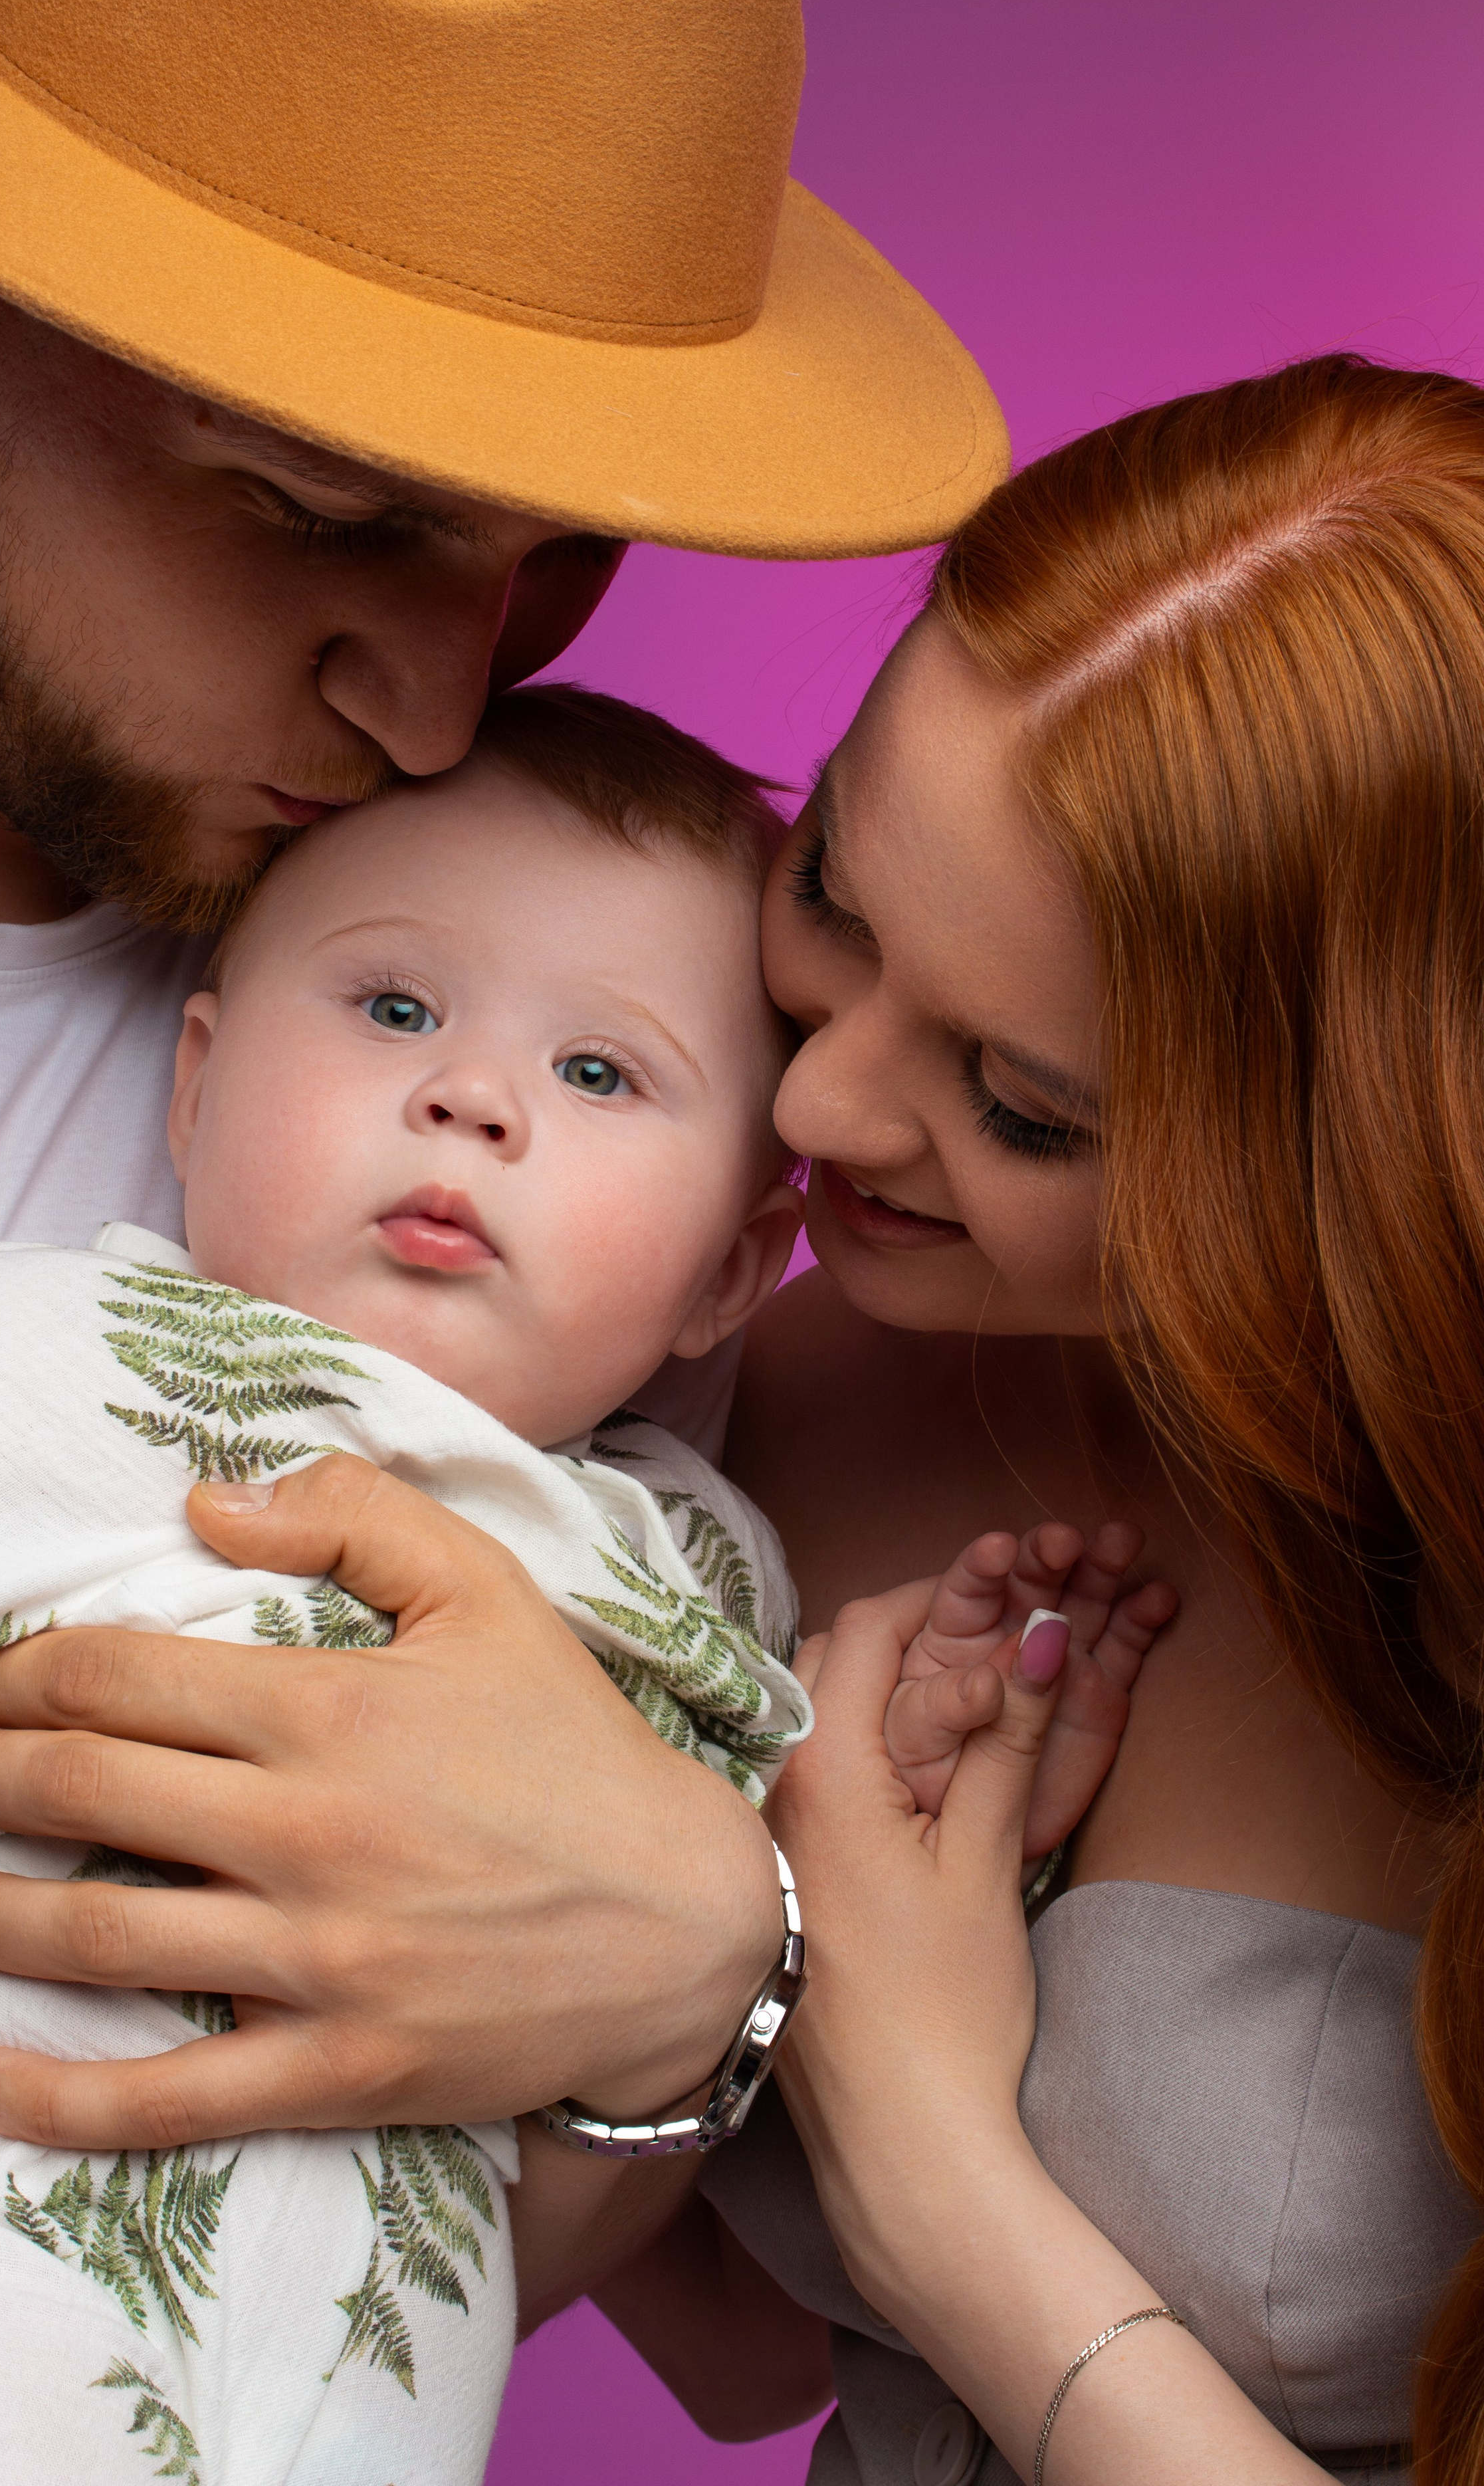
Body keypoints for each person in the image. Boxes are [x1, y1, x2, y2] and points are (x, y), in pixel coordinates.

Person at [0, 0, 1009, 2166]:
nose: (440, 716)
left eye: (564, 554)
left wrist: (693, 1993)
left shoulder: (531, 1061)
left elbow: (383, 2214)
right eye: (327, 513)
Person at [0, 686, 1158, 2480]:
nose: (472, 1097)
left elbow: (720, 2002)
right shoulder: (42, 1368)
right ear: (197, 1083)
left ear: (727, 1279)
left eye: (600, 1074)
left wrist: (921, 1759)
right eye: (396, 1007)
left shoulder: (701, 1573)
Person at [587, 354, 1484, 2485]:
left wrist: (922, 2154)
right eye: (831, 897)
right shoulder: (722, 1418)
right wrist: (647, 1986)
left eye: (1021, 1104)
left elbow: (901, 2239)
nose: (813, 1111)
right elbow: (741, 2362)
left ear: (1363, 1156)